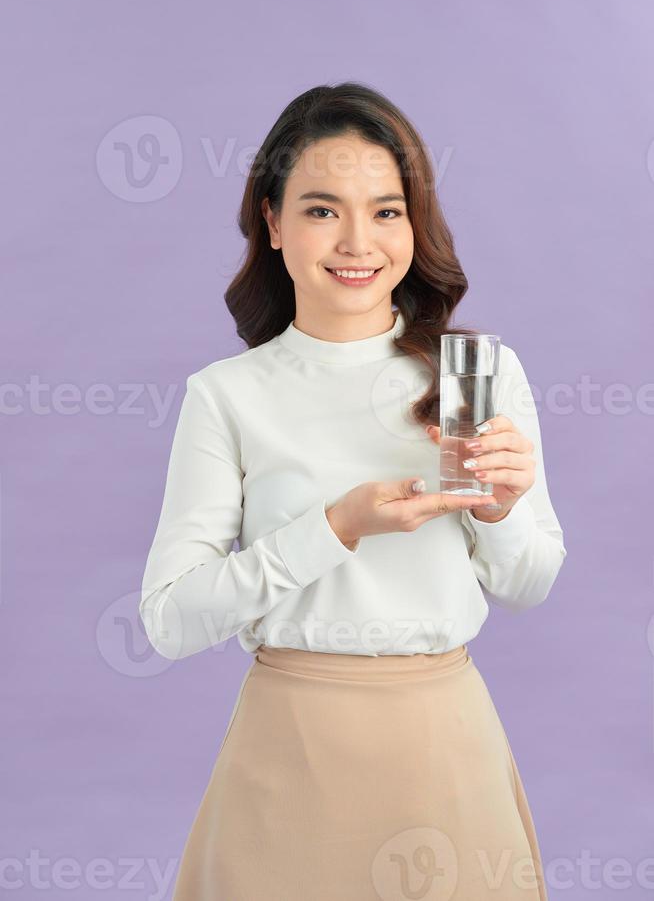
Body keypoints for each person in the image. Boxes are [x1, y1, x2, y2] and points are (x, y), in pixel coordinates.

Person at [139, 81, 566, 900]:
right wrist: (334, 527)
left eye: (387, 210)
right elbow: (169, 620)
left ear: (415, 223)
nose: (358, 240)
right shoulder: (226, 395)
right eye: (323, 209)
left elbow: (528, 583)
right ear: (271, 221)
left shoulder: (475, 377)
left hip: (447, 752)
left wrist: (501, 510)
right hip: (285, 755)